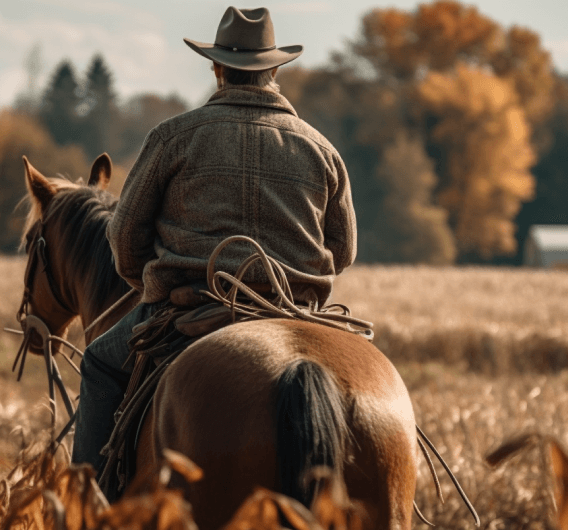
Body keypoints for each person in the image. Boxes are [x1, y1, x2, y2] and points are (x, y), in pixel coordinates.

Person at [72, 6, 357, 476]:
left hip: (187, 308)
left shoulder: (172, 137)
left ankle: (88, 510)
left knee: (100, 364)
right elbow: (343, 252)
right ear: (274, 70)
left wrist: (152, 284)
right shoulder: (321, 150)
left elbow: (123, 238)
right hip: (296, 311)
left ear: (217, 68)